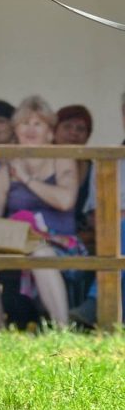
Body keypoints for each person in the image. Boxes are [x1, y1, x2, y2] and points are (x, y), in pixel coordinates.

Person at [0, 95, 81, 330]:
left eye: (37, 124)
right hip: (18, 242)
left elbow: (65, 201)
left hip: (58, 241)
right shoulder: (6, 170)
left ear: (50, 131)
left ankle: (62, 329)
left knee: (41, 255)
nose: (30, 129)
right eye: (24, 123)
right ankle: (0, 328)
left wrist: (27, 179)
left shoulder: (63, 159)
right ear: (15, 130)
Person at [70, 95, 125, 327]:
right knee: (119, 229)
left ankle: (96, 303)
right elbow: (95, 214)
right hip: (114, 230)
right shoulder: (108, 160)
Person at [54, 105, 94, 252]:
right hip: (47, 239)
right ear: (54, 131)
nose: (73, 132)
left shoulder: (94, 168)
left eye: (80, 129)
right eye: (67, 126)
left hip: (86, 241)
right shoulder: (43, 165)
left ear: (87, 136)